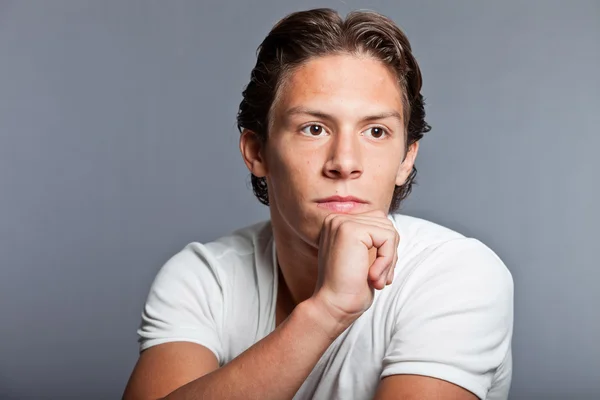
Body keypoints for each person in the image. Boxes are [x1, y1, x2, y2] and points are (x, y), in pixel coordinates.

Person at [123, 8, 514, 400]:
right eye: (314, 128)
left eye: (376, 131)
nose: (344, 162)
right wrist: (327, 312)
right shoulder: (204, 278)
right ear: (257, 151)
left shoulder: (456, 273)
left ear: (406, 159)